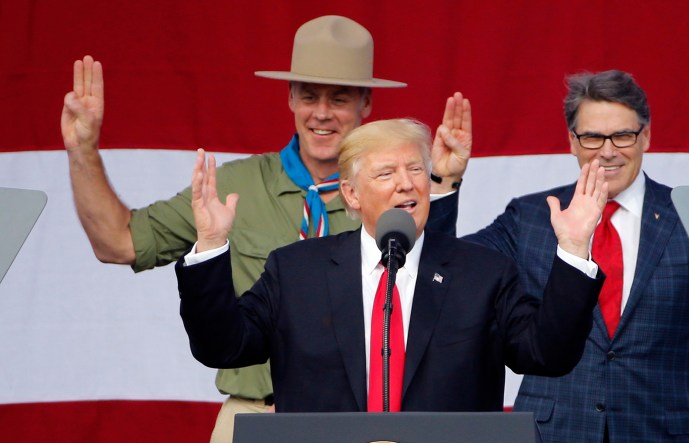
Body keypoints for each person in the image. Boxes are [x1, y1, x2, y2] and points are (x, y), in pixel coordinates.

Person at [60, 15, 469, 442]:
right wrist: (82, 149)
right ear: (291, 96)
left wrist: (441, 186)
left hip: (370, 422)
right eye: (309, 96)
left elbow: (436, 292)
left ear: (365, 103)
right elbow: (118, 242)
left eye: (340, 98)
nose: (322, 113)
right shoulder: (235, 186)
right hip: (256, 416)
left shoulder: (396, 189)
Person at [176, 118, 608, 413]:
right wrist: (212, 244)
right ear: (351, 194)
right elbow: (223, 346)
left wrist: (571, 250)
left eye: (416, 169)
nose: (407, 183)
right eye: (386, 174)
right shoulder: (295, 272)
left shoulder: (483, 273)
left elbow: (547, 354)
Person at [433, 70, 689, 442]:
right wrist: (445, 183)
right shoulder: (531, 218)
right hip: (553, 433)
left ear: (646, 136)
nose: (607, 150)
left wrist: (681, 420)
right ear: (572, 141)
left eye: (622, 135)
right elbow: (447, 270)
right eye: (592, 137)